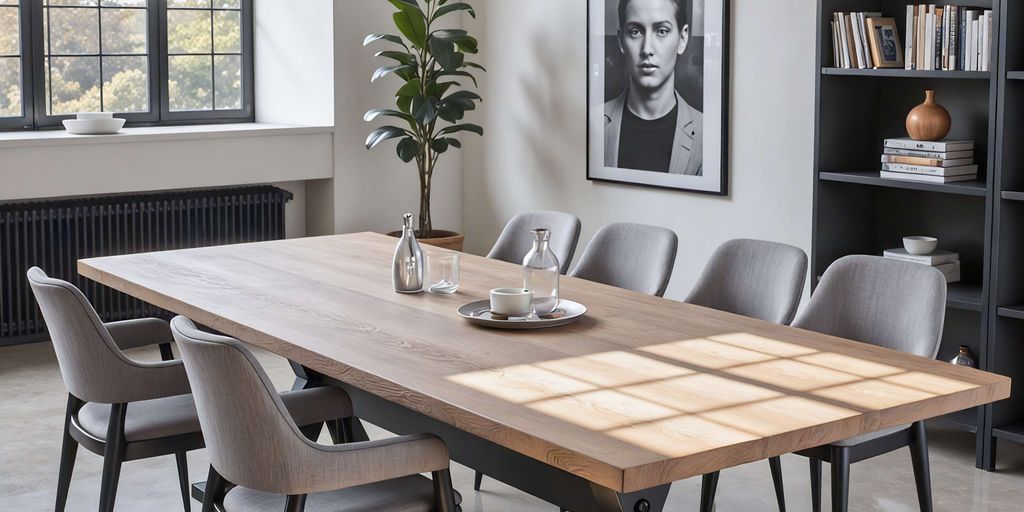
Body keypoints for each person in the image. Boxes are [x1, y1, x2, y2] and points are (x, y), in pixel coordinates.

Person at [604, 0, 703, 175]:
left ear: (682, 38)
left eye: (662, 31)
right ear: (620, 40)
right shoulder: (592, 123)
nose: (647, 49)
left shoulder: (708, 134)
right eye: (635, 32)